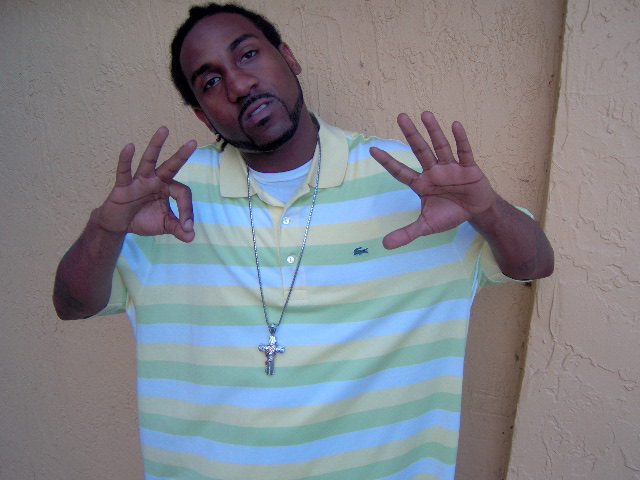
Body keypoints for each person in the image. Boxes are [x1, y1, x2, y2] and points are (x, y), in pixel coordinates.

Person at [53, 3, 554, 479]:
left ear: (288, 57)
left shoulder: (409, 179)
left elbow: (533, 264)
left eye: (248, 54)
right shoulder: (169, 198)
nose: (239, 84)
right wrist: (106, 227)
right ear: (202, 115)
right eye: (210, 82)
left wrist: (487, 211)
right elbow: (72, 305)